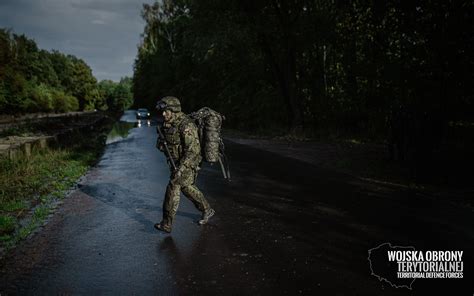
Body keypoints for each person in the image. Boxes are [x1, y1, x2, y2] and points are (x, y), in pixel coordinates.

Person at [154, 96, 215, 233]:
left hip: (188, 163)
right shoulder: (168, 124)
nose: (163, 114)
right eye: (163, 111)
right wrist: (162, 143)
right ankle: (207, 209)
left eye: (166, 111)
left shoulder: (186, 125)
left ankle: (166, 223)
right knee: (187, 188)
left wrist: (181, 168)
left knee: (174, 185)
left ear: (174, 110)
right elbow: (161, 145)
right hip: (176, 162)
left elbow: (193, 151)